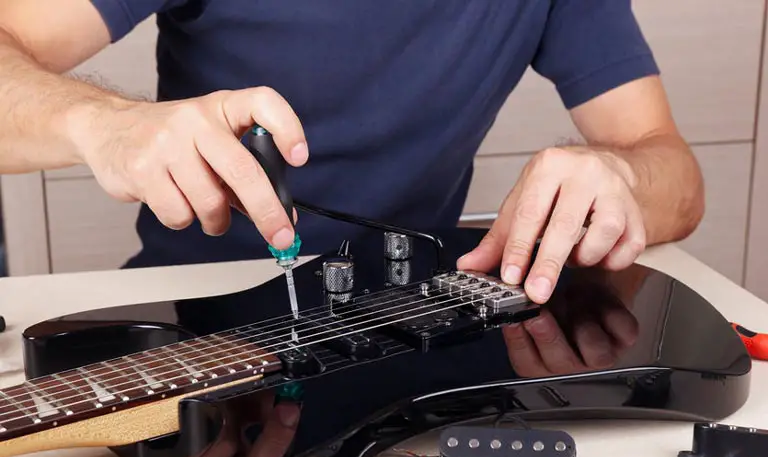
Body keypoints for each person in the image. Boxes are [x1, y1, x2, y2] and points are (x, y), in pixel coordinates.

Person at [0, 0, 703, 305]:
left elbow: (674, 174)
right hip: (197, 318)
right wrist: (106, 123)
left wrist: (618, 173)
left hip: (407, 331)